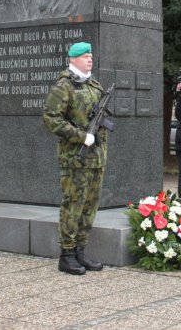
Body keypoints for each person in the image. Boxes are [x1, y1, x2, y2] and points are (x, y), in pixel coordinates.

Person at [43, 42, 108, 275]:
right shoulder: (64, 86)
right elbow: (52, 118)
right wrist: (81, 136)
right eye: (84, 56)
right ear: (72, 59)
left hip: (96, 157)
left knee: (90, 205)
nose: (90, 59)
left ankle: (81, 250)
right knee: (73, 204)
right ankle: (67, 254)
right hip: (74, 158)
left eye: (91, 55)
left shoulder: (95, 85)